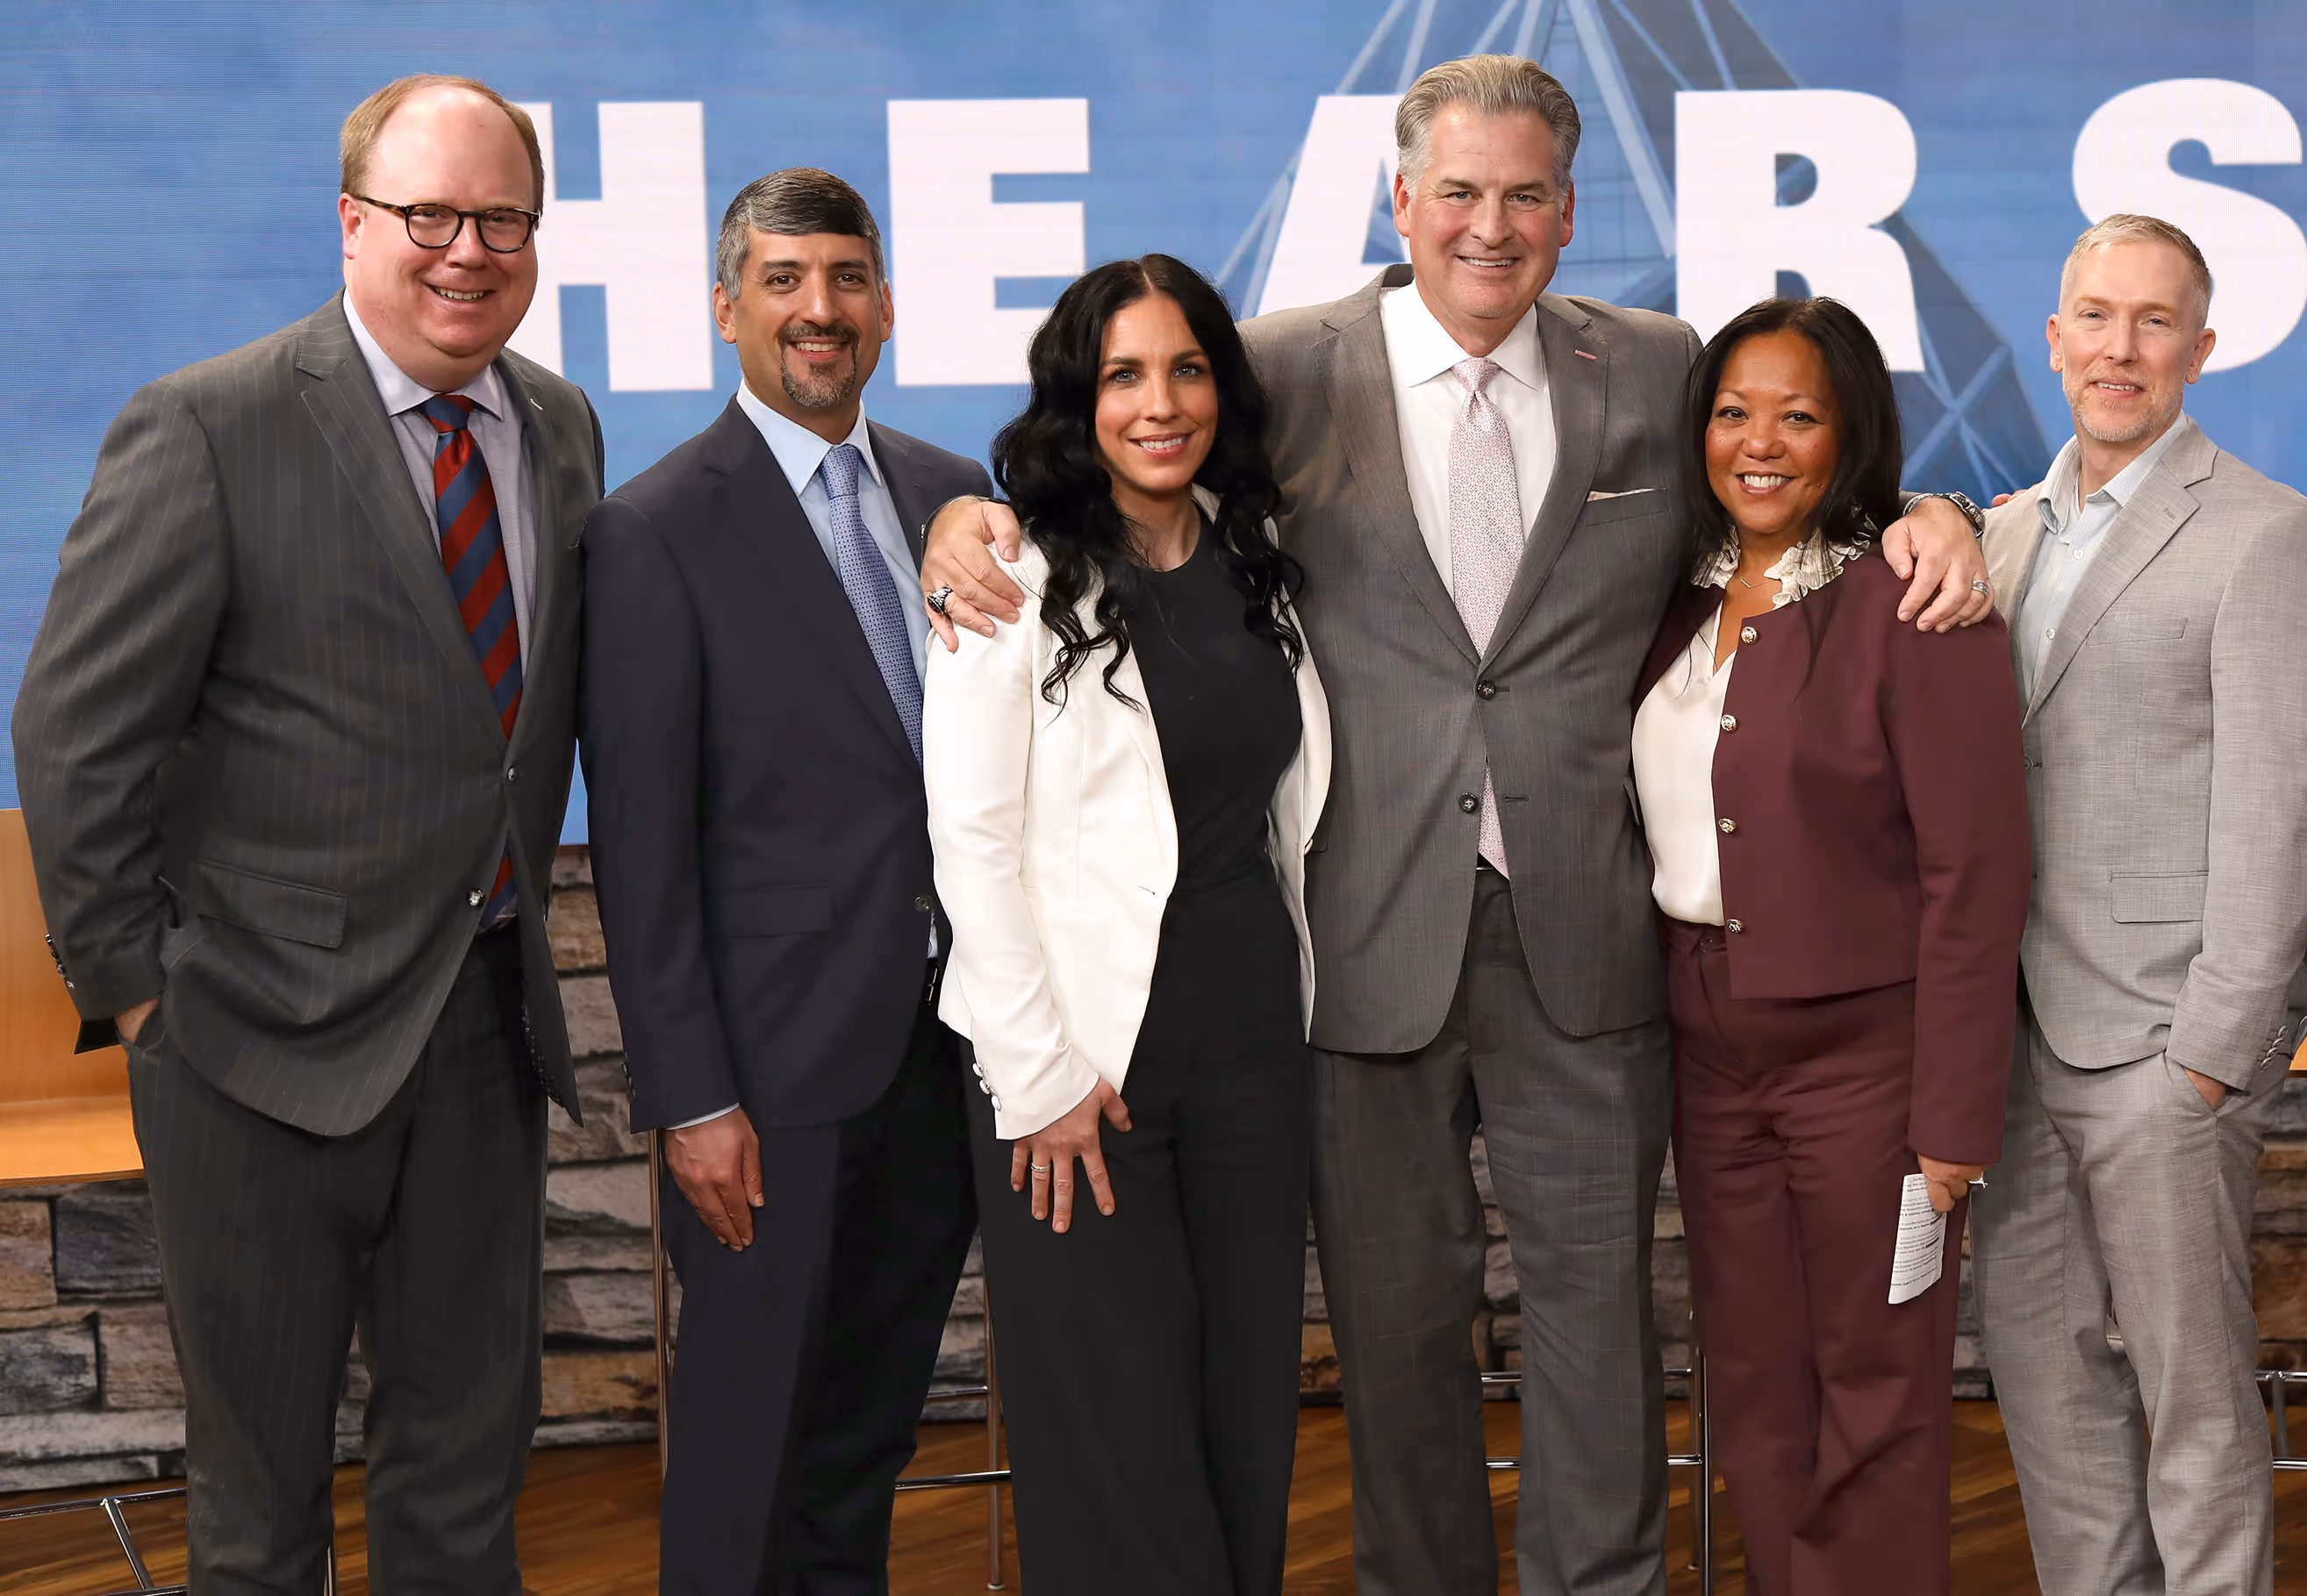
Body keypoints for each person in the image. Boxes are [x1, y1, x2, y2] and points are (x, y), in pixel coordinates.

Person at [918, 55, 1993, 1595]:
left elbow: (1787, 482)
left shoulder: (1654, 365)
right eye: (1462, 192)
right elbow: (1109, 452)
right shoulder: (1274, 367)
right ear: (1402, 199)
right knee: (1395, 1334)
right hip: (1365, 941)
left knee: (1598, 1331)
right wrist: (967, 516)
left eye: (1528, 194)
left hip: (1588, 938)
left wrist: (1933, 514)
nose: (1492, 225)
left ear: (1570, 211)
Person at [11, 75, 598, 1593]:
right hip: (248, 1051)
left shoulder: (558, 423)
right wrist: (141, 998)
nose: (468, 252)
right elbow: (74, 731)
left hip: (479, 1031)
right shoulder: (210, 424)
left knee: (464, 1491)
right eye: (430, 215)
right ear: (351, 223)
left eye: (504, 220)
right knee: (261, 1515)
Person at [580, 168, 994, 1594]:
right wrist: (691, 1097)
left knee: (867, 1435)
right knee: (744, 1443)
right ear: (725, 308)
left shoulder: (952, 493)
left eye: (846, 278)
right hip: (768, 1078)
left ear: (886, 303)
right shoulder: (653, 528)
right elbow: (642, 849)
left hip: (946, 1054)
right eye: (783, 280)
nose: (820, 309)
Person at [922, 253, 1329, 1596]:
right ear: (1077, 399)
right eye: (1125, 375)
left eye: (1187, 369)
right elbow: (972, 843)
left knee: (1241, 1408)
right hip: (1080, 1054)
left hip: (1253, 1034)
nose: (1161, 404)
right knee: (1117, 1430)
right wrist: (1033, 1075)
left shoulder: (1256, 555)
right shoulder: (1011, 578)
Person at [1969, 213, 2307, 1596]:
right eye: (2095, 316)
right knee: (2044, 1376)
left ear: (2202, 345)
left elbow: (2282, 806)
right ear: (2054, 335)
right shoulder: (2004, 531)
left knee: (2193, 1392)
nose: (2119, 348)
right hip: (2008, 1038)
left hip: (2160, 1043)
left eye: (2153, 321)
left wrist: (2213, 1050)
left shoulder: (2271, 535)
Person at [1630, 297, 2030, 1595]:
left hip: (1870, 1067)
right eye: (1733, 412)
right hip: (1708, 1054)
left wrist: (1954, 1116)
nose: (1759, 443)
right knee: (1754, 1380)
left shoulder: (1916, 604)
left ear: (1850, 433)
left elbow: (1975, 876)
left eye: (1797, 416)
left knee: (1877, 1385)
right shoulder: (1670, 598)